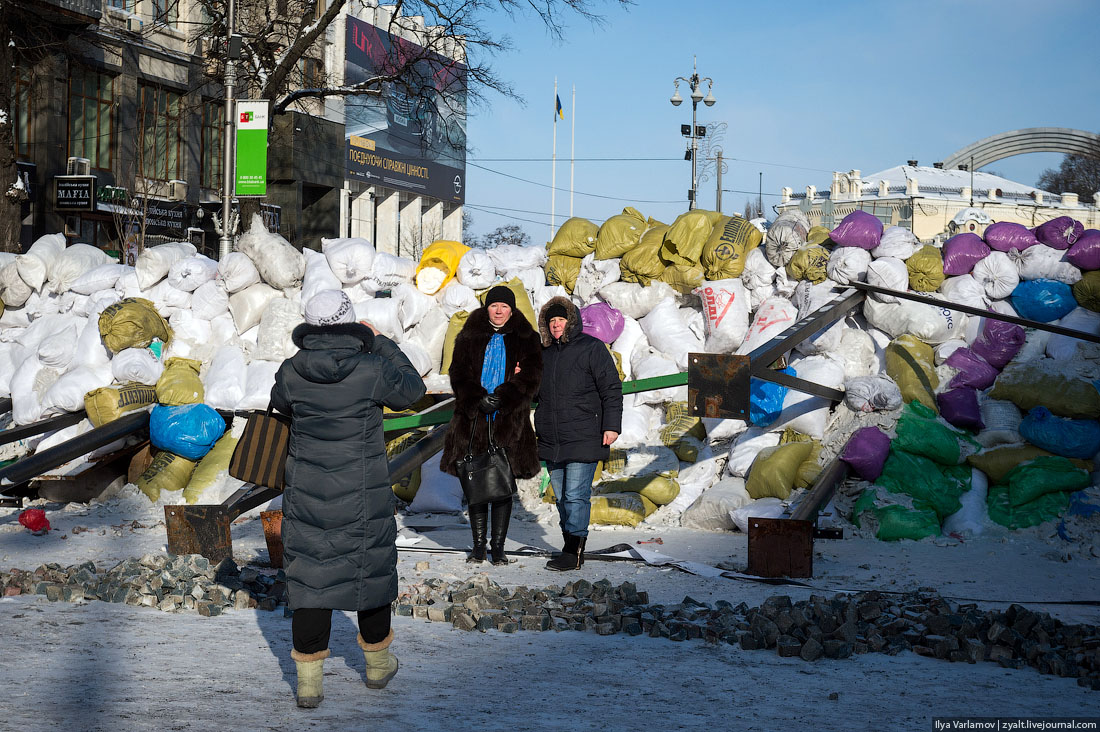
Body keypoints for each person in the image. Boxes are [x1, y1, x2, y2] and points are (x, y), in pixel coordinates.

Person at [270, 289, 426, 709]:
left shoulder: (291, 371)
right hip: (363, 491)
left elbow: (279, 407)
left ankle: (308, 684)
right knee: (368, 574)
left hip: (307, 493)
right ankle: (377, 668)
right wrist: (382, 343)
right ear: (350, 321)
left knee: (311, 580)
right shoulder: (372, 368)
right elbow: (413, 390)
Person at [440, 285, 542, 565]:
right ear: (487, 308)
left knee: (502, 485)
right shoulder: (469, 335)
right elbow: (457, 372)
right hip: (473, 419)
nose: (499, 311)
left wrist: (505, 395)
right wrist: (476, 398)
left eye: (504, 307)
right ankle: (477, 547)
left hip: (509, 420)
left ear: (512, 310)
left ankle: (498, 548)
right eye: (494, 306)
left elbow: (533, 375)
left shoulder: (526, 338)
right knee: (476, 483)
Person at [534, 296, 623, 571]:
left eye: (560, 320)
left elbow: (611, 388)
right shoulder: (543, 355)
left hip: (585, 431)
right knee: (561, 496)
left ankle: (573, 552)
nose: (556, 325)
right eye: (551, 321)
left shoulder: (592, 348)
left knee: (575, 494)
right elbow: (536, 394)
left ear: (571, 322)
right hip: (552, 436)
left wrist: (612, 425)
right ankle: (571, 547)